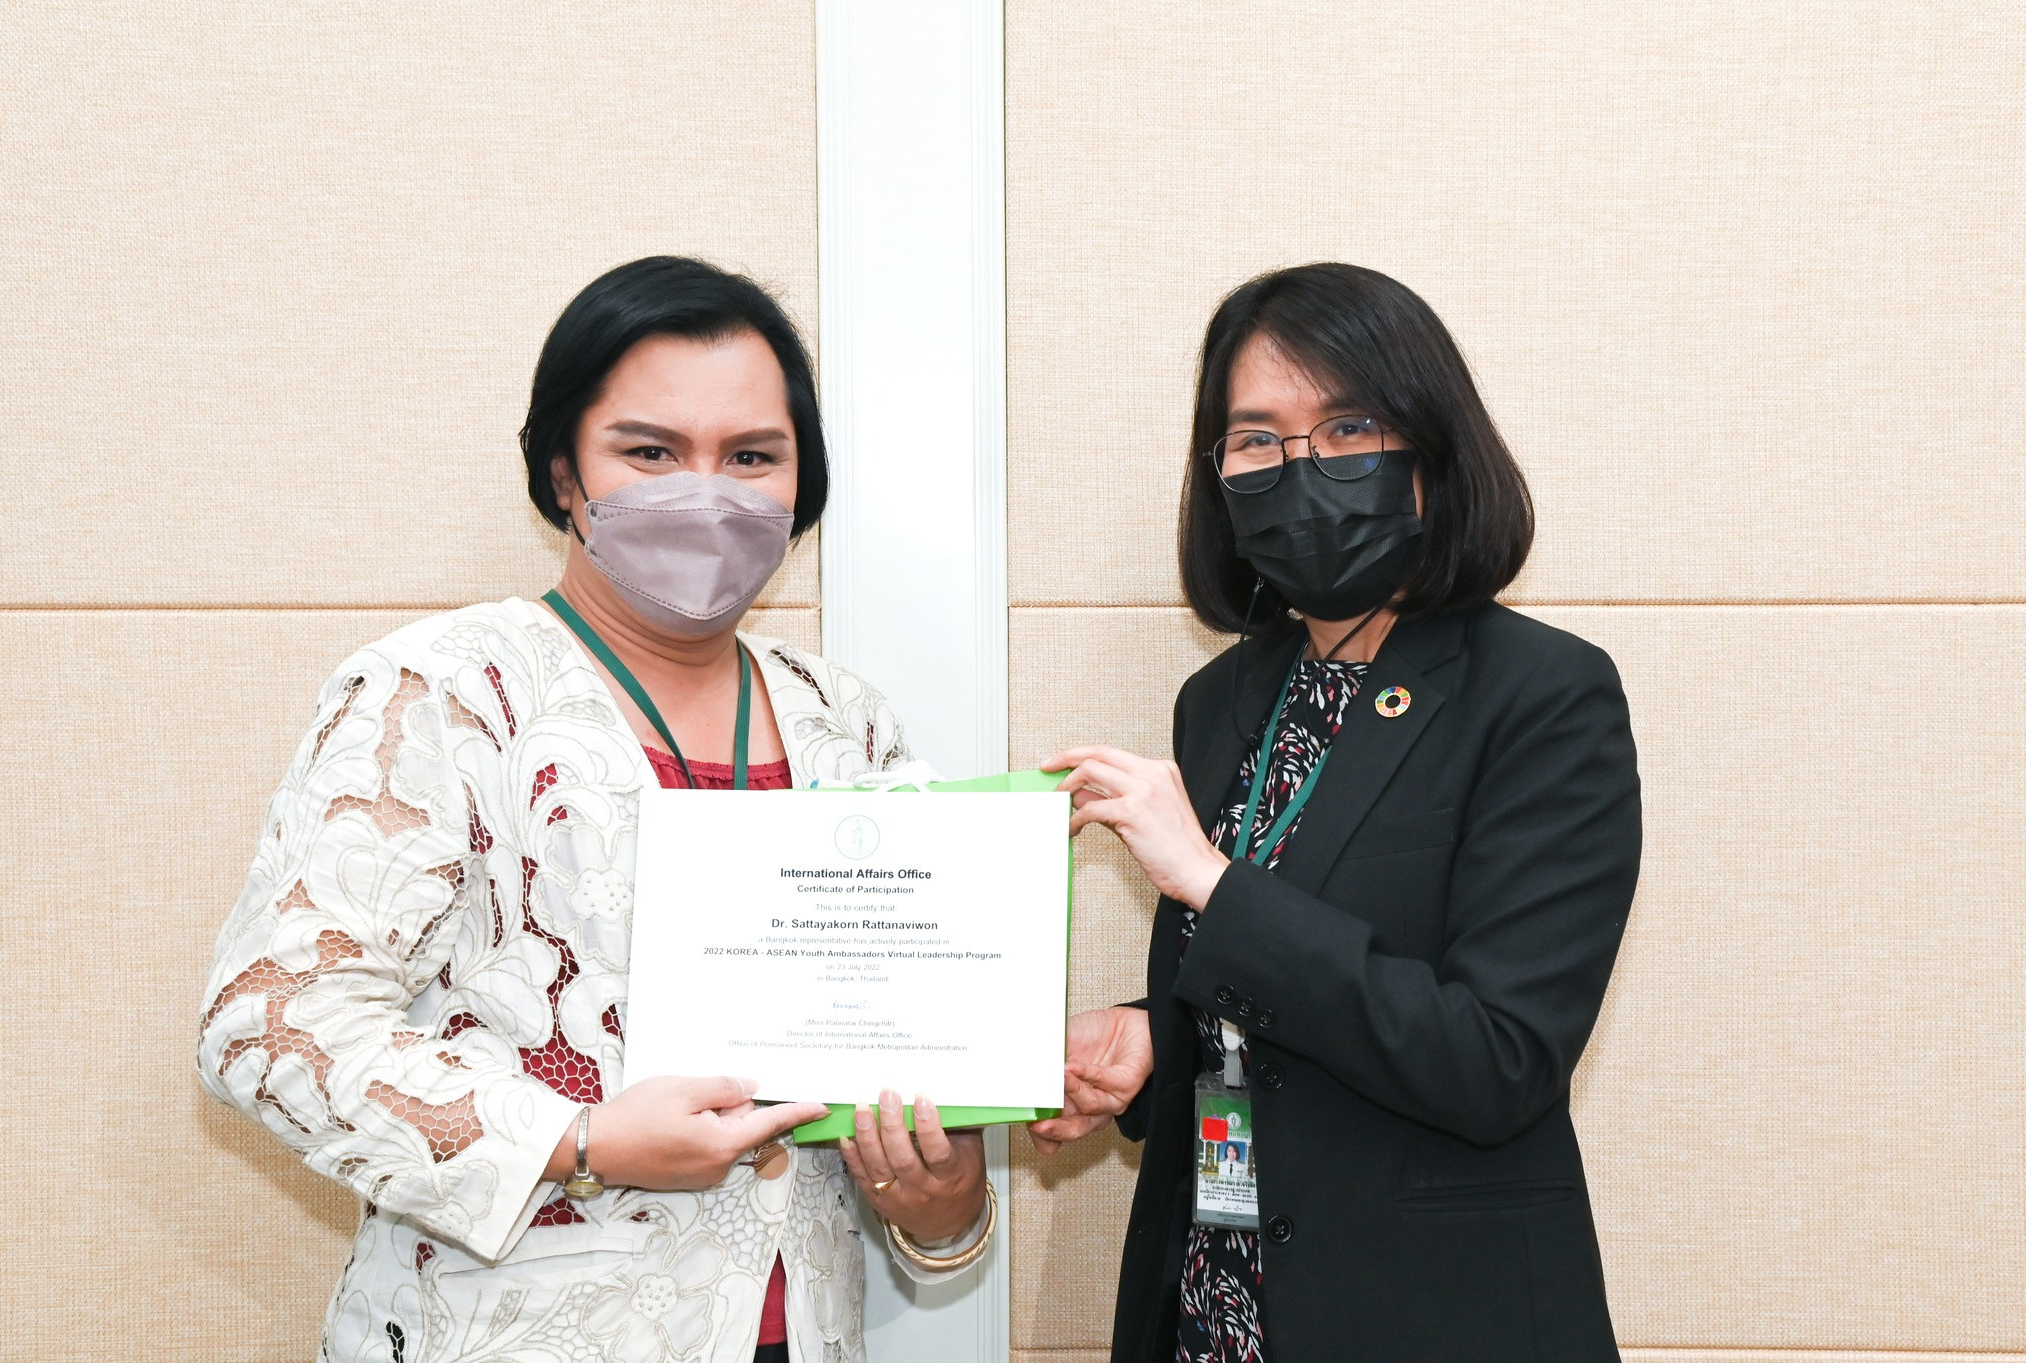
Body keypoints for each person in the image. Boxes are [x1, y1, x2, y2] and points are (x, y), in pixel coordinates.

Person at [198, 257, 994, 1363]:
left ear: (800, 484)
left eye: (751, 456)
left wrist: (939, 1197)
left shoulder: (846, 723)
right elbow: (269, 1019)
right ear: (564, 471)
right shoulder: (443, 693)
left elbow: (901, 1056)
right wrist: (581, 1140)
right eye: (650, 451)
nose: (705, 492)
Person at [1029, 263, 1641, 1361]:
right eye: (1255, 438)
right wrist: (1155, 1038)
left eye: (1348, 426)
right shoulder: (1221, 699)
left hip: (1429, 1315)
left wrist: (1208, 880)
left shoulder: (1543, 694)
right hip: (1214, 1301)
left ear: (1434, 451)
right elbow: (1274, 990)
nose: (1300, 465)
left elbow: (1496, 1059)